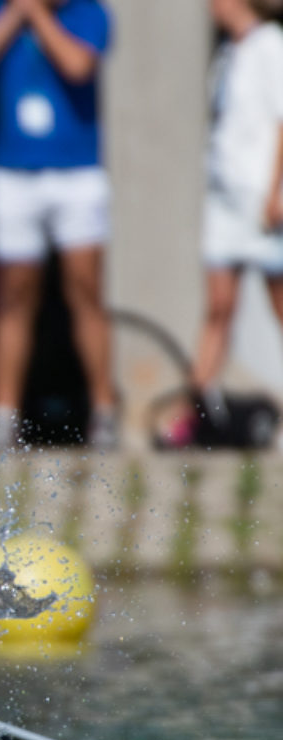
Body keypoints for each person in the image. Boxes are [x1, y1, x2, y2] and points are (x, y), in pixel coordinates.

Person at [0, 0, 115, 450]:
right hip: (13, 171)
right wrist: (15, 15)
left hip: (77, 171)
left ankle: (104, 409)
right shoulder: (0, 11)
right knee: (15, 293)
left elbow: (78, 65)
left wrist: (38, 15)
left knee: (85, 288)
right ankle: (4, 415)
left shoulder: (90, 14)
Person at [180, 0, 283, 443]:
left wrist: (275, 191)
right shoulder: (227, 53)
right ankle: (193, 413)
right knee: (218, 307)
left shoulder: (271, 47)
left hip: (261, 200)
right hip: (224, 202)